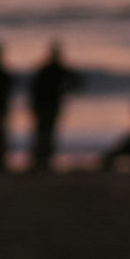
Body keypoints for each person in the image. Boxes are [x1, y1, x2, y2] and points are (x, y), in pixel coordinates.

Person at [28, 41, 80, 171]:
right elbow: (76, 80)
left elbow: (76, 80)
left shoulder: (49, 69)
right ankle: (42, 160)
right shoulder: (51, 70)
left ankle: (43, 161)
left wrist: (65, 90)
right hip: (47, 105)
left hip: (48, 106)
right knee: (45, 133)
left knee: (44, 133)